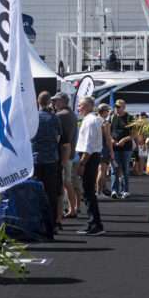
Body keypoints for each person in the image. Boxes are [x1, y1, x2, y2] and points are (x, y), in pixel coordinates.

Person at [31, 91, 62, 232]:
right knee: (51, 194)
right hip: (50, 158)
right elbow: (58, 137)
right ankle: (52, 224)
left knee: (35, 193)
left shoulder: (32, 118)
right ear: (49, 102)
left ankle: (35, 223)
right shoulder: (54, 118)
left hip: (35, 159)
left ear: (38, 102)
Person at [75, 96, 105, 235]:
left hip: (89, 158)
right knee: (87, 192)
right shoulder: (91, 120)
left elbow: (88, 146)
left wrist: (82, 164)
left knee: (88, 192)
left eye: (80, 105)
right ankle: (93, 223)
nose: (78, 108)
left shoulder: (90, 121)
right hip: (90, 157)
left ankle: (95, 225)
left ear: (87, 106)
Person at [53, 91, 79, 223]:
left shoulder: (61, 115)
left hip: (63, 155)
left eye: (56, 101)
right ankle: (72, 208)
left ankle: (70, 209)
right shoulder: (72, 114)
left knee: (65, 183)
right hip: (69, 154)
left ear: (62, 102)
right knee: (67, 182)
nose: (54, 103)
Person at [110, 99, 134, 198]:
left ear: (124, 107)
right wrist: (112, 140)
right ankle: (114, 190)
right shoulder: (111, 118)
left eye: (118, 107)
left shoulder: (130, 118)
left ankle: (125, 190)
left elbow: (134, 134)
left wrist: (124, 140)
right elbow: (108, 132)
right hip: (115, 148)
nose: (116, 109)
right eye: (116, 107)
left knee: (125, 170)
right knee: (114, 170)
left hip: (126, 148)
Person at [96, 103, 115, 198]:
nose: (108, 113)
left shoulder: (92, 120)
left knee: (97, 171)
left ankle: (99, 190)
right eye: (107, 111)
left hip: (93, 148)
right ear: (103, 112)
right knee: (102, 171)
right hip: (102, 148)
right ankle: (99, 192)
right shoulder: (105, 123)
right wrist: (112, 152)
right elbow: (108, 138)